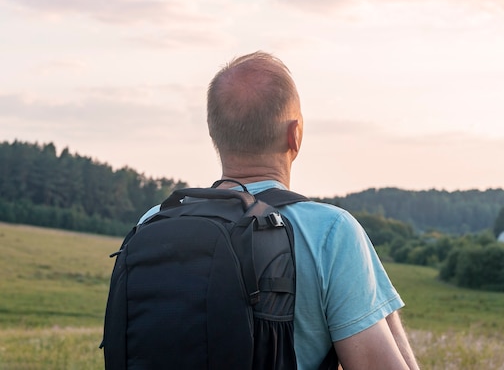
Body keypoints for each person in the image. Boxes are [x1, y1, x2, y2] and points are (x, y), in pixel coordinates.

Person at [140, 51, 420, 369]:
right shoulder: (330, 231)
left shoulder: (152, 223)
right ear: (294, 135)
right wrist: (377, 301)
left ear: (214, 134)